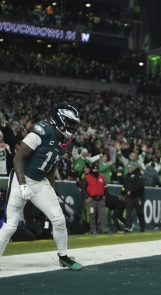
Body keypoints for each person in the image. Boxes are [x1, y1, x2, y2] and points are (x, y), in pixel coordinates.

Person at [0, 105, 83, 270]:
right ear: (59, 120)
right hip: (21, 178)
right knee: (11, 225)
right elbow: (18, 158)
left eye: (74, 123)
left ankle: (63, 256)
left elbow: (51, 169)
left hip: (39, 182)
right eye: (69, 122)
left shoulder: (64, 141)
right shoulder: (42, 131)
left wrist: (51, 189)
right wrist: (23, 186)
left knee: (58, 220)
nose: (72, 127)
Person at [82, 162, 108, 234]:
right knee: (92, 215)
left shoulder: (102, 177)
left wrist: (105, 195)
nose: (95, 170)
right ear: (91, 170)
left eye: (96, 169)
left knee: (102, 214)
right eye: (94, 169)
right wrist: (87, 197)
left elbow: (106, 187)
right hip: (92, 199)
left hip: (101, 199)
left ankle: (103, 229)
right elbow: (83, 187)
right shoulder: (87, 177)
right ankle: (93, 230)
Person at [121, 163, 146, 232]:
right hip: (129, 197)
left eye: (131, 168)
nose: (129, 169)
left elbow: (139, 185)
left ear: (134, 168)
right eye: (129, 168)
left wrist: (131, 191)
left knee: (140, 212)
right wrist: (122, 194)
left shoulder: (138, 175)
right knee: (128, 212)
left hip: (138, 196)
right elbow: (124, 186)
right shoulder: (127, 176)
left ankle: (142, 226)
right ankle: (128, 226)